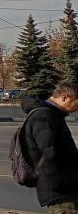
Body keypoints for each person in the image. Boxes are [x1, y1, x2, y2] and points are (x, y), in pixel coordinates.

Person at [21, 81, 78, 212]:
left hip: (64, 189)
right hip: (61, 191)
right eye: (77, 102)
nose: (77, 108)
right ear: (65, 97)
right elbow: (50, 153)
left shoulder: (52, 115)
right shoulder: (44, 116)